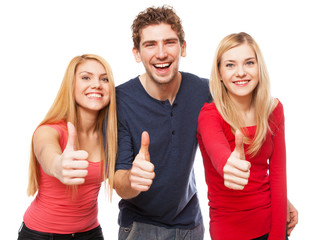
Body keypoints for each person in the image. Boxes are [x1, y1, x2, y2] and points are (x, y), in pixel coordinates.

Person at [113, 5, 298, 240]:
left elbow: (239, 103)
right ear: (137, 53)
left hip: (191, 225)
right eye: (150, 44)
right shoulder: (120, 100)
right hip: (142, 228)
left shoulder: (204, 90)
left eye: (169, 42)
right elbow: (118, 180)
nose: (161, 53)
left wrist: (279, 200)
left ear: (183, 47)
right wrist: (132, 179)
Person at [196, 32, 288, 240]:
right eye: (230, 65)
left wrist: (278, 236)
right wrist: (228, 164)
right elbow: (216, 150)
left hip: (270, 225)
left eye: (248, 63)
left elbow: (278, 175)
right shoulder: (209, 115)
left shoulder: (274, 109)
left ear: (258, 67)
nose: (240, 72)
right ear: (219, 72)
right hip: (228, 231)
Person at [18, 54, 117, 240]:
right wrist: (58, 165)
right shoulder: (48, 131)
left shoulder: (111, 136)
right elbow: (46, 151)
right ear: (71, 86)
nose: (97, 84)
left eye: (104, 79)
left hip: (91, 233)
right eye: (86, 77)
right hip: (42, 234)